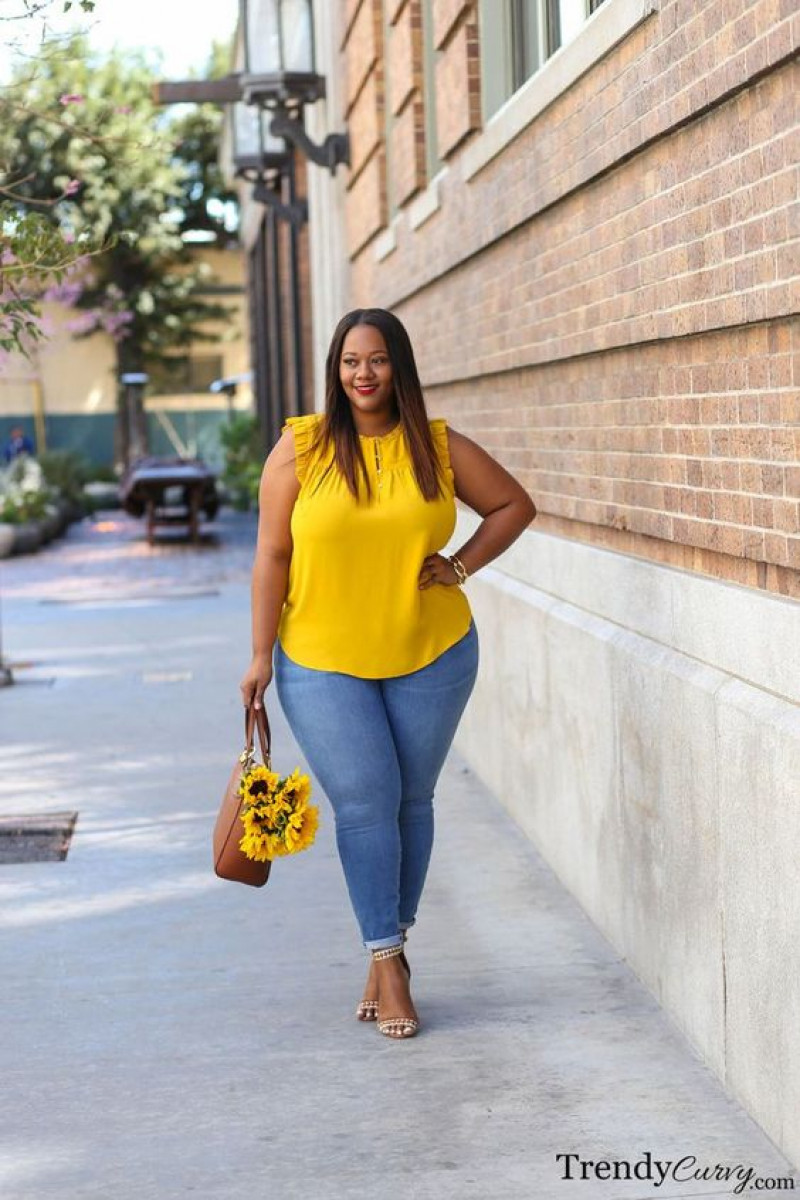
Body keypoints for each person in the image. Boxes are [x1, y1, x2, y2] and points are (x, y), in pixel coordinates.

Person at [240, 308, 536, 1040]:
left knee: (411, 802)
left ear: (398, 368)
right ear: (336, 372)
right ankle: (391, 959)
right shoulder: (300, 448)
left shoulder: (438, 447)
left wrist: (460, 565)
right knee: (367, 802)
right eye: (350, 361)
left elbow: (512, 506)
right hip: (319, 657)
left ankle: (384, 950)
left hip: (432, 653)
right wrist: (256, 656)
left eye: (376, 360)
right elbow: (272, 556)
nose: (363, 374)